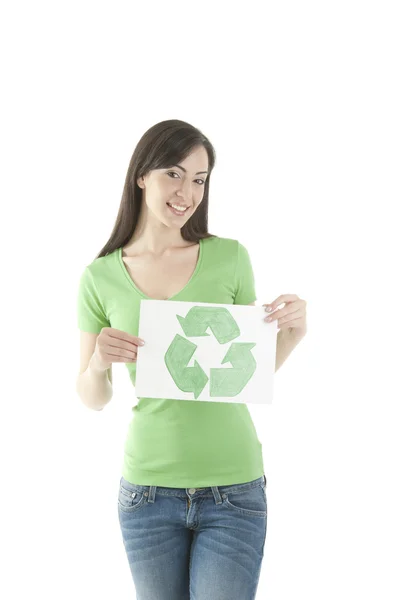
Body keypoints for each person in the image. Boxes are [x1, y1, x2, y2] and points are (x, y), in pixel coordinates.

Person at [76, 119, 267, 600]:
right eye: (174, 174)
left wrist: (294, 334)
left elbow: (247, 374)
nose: (187, 192)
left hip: (234, 490)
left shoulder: (230, 258)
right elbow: (91, 397)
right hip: (147, 494)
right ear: (142, 175)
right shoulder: (100, 277)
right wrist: (99, 363)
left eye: (199, 179)